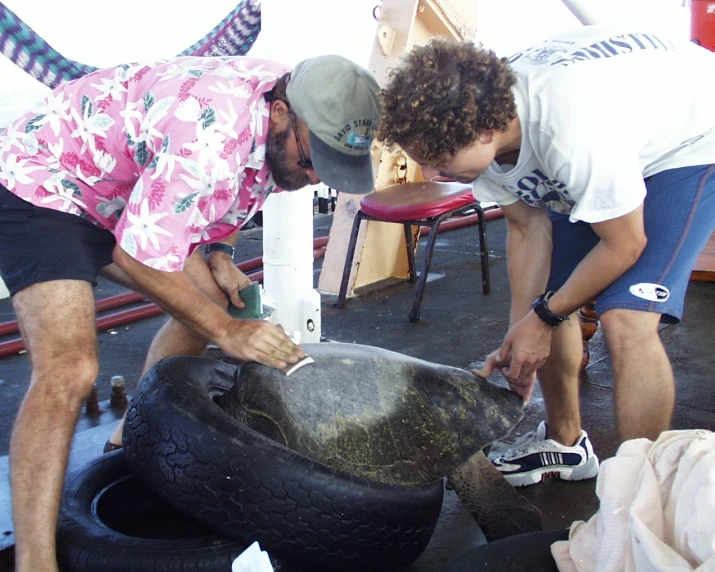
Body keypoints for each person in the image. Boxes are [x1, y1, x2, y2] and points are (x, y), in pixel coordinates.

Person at [0, 53, 380, 571]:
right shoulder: (215, 136)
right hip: (46, 182)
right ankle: (35, 563)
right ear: (280, 114)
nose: (315, 178)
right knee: (70, 369)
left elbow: (228, 195)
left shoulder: (287, 120)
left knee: (207, 301)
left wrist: (219, 256)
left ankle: (128, 435)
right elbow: (139, 251)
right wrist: (228, 331)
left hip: (122, 197)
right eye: (313, 161)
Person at [376, 26, 715, 487]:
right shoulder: (478, 127)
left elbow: (626, 243)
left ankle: (645, 492)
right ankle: (565, 445)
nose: (435, 174)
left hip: (688, 140)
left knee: (626, 318)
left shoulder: (569, 132)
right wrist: (521, 338)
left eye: (440, 160)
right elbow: (527, 228)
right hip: (613, 136)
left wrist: (542, 319)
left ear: (485, 131)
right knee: (555, 298)